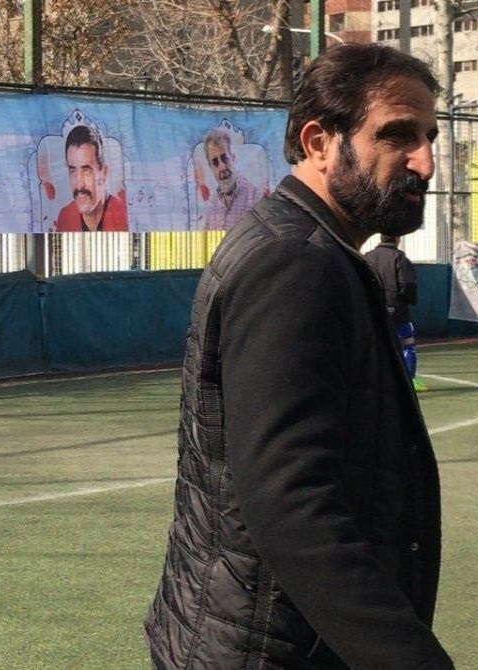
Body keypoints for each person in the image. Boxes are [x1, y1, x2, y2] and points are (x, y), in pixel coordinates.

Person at [145, 44, 453, 669]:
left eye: (429, 137)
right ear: (319, 143)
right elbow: (292, 505)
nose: (424, 161)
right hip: (265, 651)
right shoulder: (296, 264)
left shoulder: (315, 250)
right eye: (397, 135)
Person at [366, 234, 426, 392]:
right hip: (396, 308)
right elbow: (407, 284)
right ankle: (410, 380)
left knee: (376, 345)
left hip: (374, 306)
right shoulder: (399, 257)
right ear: (397, 239)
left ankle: (376, 381)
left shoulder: (368, 257)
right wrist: (410, 300)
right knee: (408, 343)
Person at [54, 124, 128, 232]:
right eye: (73, 170)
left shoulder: (124, 215)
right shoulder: (66, 216)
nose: (79, 185)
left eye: (86, 170)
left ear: (103, 172)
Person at [202, 127, 262, 230]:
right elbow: (205, 237)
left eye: (224, 158)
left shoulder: (254, 198)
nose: (222, 167)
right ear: (211, 168)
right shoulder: (213, 204)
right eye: (215, 163)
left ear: (233, 158)